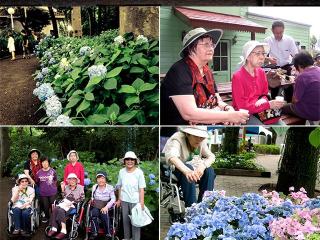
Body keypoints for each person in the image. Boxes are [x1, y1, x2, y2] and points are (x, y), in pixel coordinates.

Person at [160, 27, 249, 125]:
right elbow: (189, 114)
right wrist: (229, 116)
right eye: (206, 44)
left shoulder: (207, 71)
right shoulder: (180, 70)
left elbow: (217, 99)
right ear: (190, 48)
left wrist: (228, 108)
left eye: (212, 44)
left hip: (203, 124)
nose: (211, 48)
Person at [232, 40, 285, 125]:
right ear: (248, 56)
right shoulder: (237, 76)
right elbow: (242, 107)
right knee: (264, 132)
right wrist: (268, 105)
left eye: (263, 53)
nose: (262, 57)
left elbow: (265, 94)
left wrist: (264, 101)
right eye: (258, 53)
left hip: (261, 110)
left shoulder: (261, 72)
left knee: (283, 128)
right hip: (244, 114)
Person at [162, 126, 215, 207]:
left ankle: (205, 205)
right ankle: (191, 208)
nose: (199, 139)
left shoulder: (201, 140)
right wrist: (187, 171)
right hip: (177, 169)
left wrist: (203, 165)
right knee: (188, 168)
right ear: (187, 134)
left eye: (201, 137)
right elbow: (172, 157)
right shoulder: (177, 138)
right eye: (196, 136)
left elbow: (211, 156)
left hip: (195, 170)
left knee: (209, 170)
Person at [264, 20, 299, 100]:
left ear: (284, 30)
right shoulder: (267, 40)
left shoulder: (289, 40)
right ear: (272, 30)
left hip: (286, 68)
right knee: (274, 90)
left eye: (281, 32)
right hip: (274, 69)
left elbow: (296, 55)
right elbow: (263, 56)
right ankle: (275, 109)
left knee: (289, 89)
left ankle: (288, 107)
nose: (279, 35)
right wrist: (268, 58)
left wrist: (296, 66)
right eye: (276, 33)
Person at [282, 51, 320, 122]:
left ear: (299, 66)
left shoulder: (302, 77)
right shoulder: (318, 69)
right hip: (317, 109)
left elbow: (294, 101)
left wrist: (295, 84)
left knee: (281, 107)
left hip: (312, 112)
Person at [116, 151, 146, 240]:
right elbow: (119, 186)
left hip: (136, 201)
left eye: (132, 159)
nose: (130, 161)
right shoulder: (121, 172)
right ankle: (127, 238)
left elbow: (141, 189)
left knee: (135, 223)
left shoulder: (139, 172)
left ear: (135, 161)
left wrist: (142, 203)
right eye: (127, 159)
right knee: (125, 222)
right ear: (124, 161)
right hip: (124, 200)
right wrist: (119, 199)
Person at [47, 173, 85, 239]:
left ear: (76, 180)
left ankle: (63, 230)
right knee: (56, 208)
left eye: (73, 179)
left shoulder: (80, 188)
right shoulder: (67, 187)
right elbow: (64, 197)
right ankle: (54, 228)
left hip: (74, 204)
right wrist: (62, 189)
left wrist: (74, 201)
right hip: (65, 202)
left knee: (61, 210)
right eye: (70, 179)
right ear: (68, 181)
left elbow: (82, 198)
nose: (72, 181)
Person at [89, 171, 116, 239]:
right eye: (99, 179)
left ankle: (108, 233)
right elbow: (92, 196)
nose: (100, 180)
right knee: (93, 213)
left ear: (105, 179)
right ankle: (94, 232)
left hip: (106, 205)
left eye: (102, 178)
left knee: (104, 213)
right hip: (97, 204)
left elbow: (113, 199)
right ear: (96, 180)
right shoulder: (94, 187)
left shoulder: (110, 187)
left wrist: (106, 207)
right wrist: (91, 199)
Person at [35, 156, 57, 223]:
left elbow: (55, 180)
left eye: (46, 162)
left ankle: (54, 219)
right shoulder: (38, 173)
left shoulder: (53, 171)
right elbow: (37, 182)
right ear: (41, 163)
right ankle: (47, 217)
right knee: (45, 207)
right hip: (43, 193)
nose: (44, 163)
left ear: (49, 163)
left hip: (52, 192)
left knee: (53, 206)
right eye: (43, 162)